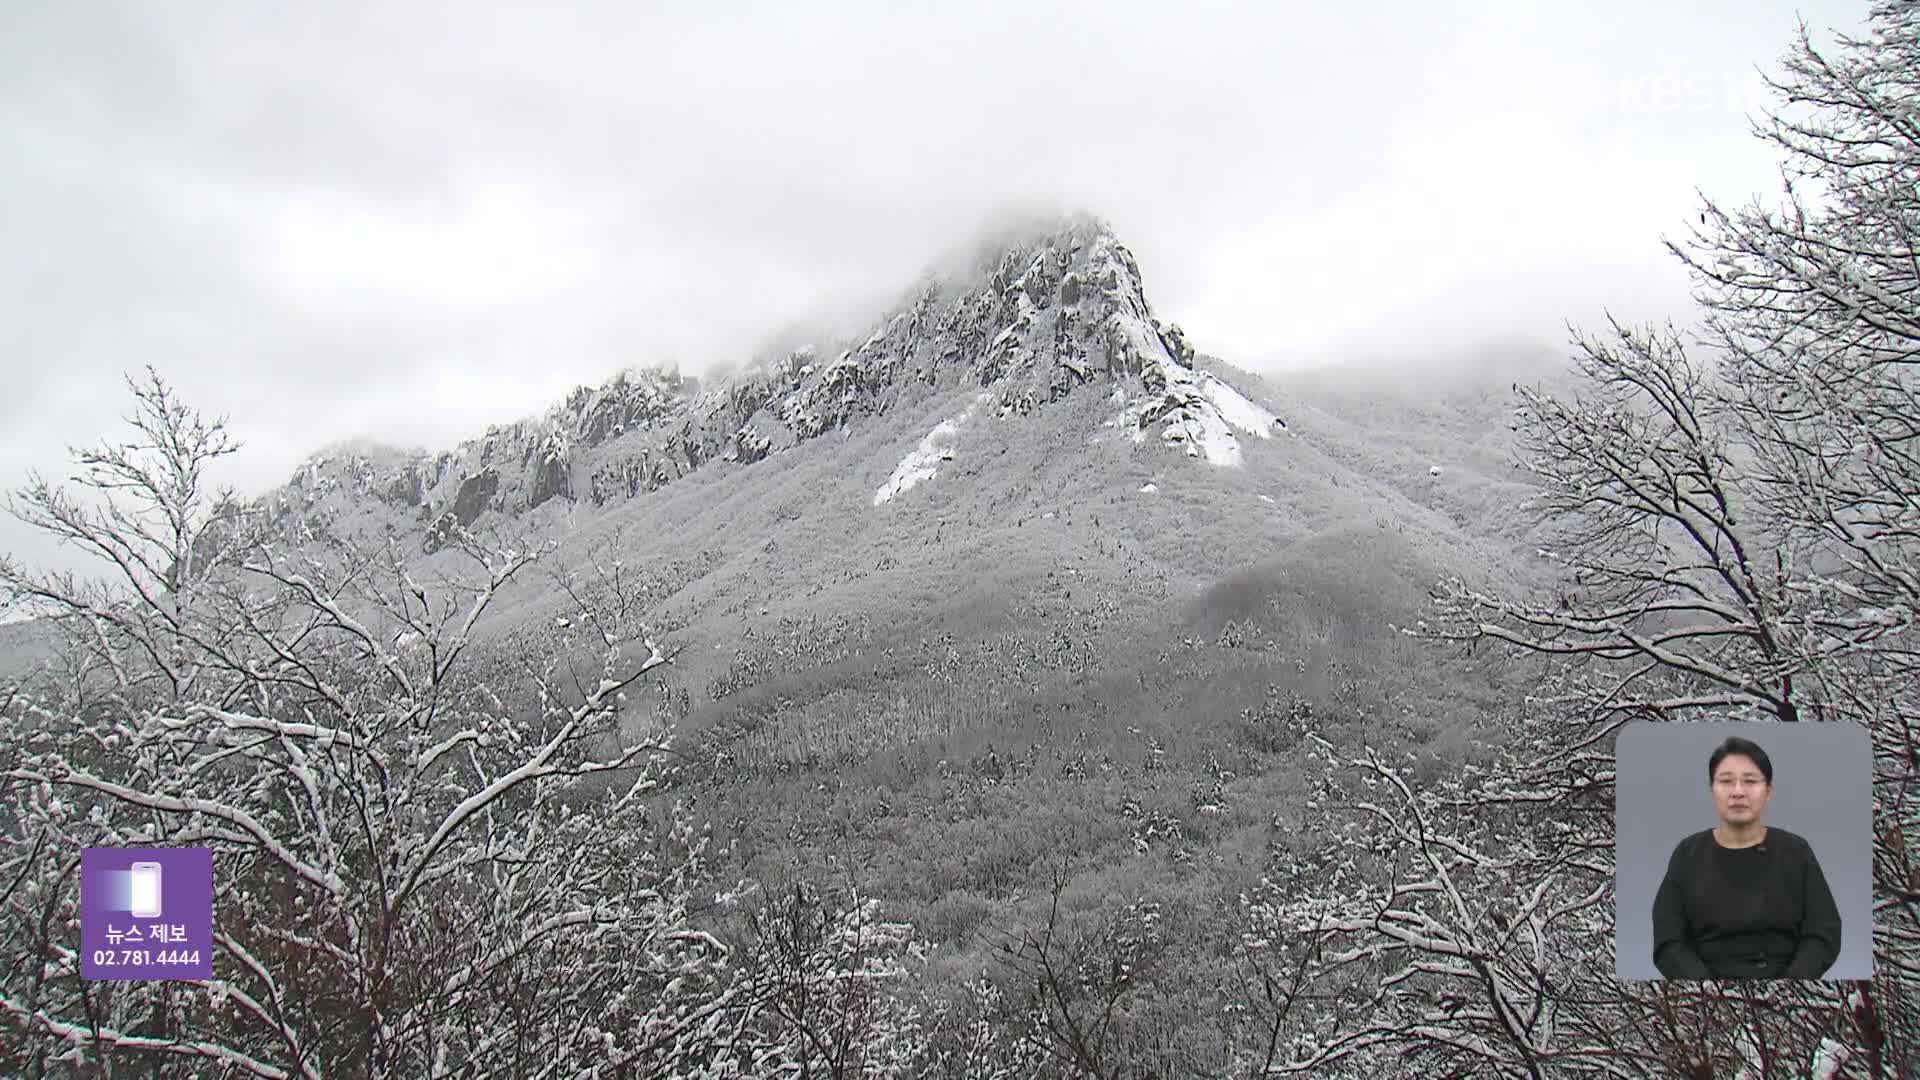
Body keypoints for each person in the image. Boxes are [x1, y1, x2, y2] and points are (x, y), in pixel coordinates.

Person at [1651, 735, 1842, 979]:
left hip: (1788, 989)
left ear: (1768, 791)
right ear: (1712, 790)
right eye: (1726, 781)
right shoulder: (1688, 854)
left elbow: (1823, 932)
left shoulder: (1795, 851)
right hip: (1707, 992)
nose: (1738, 792)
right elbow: (1669, 941)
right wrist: (1705, 988)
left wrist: (1792, 983)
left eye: (1750, 781)